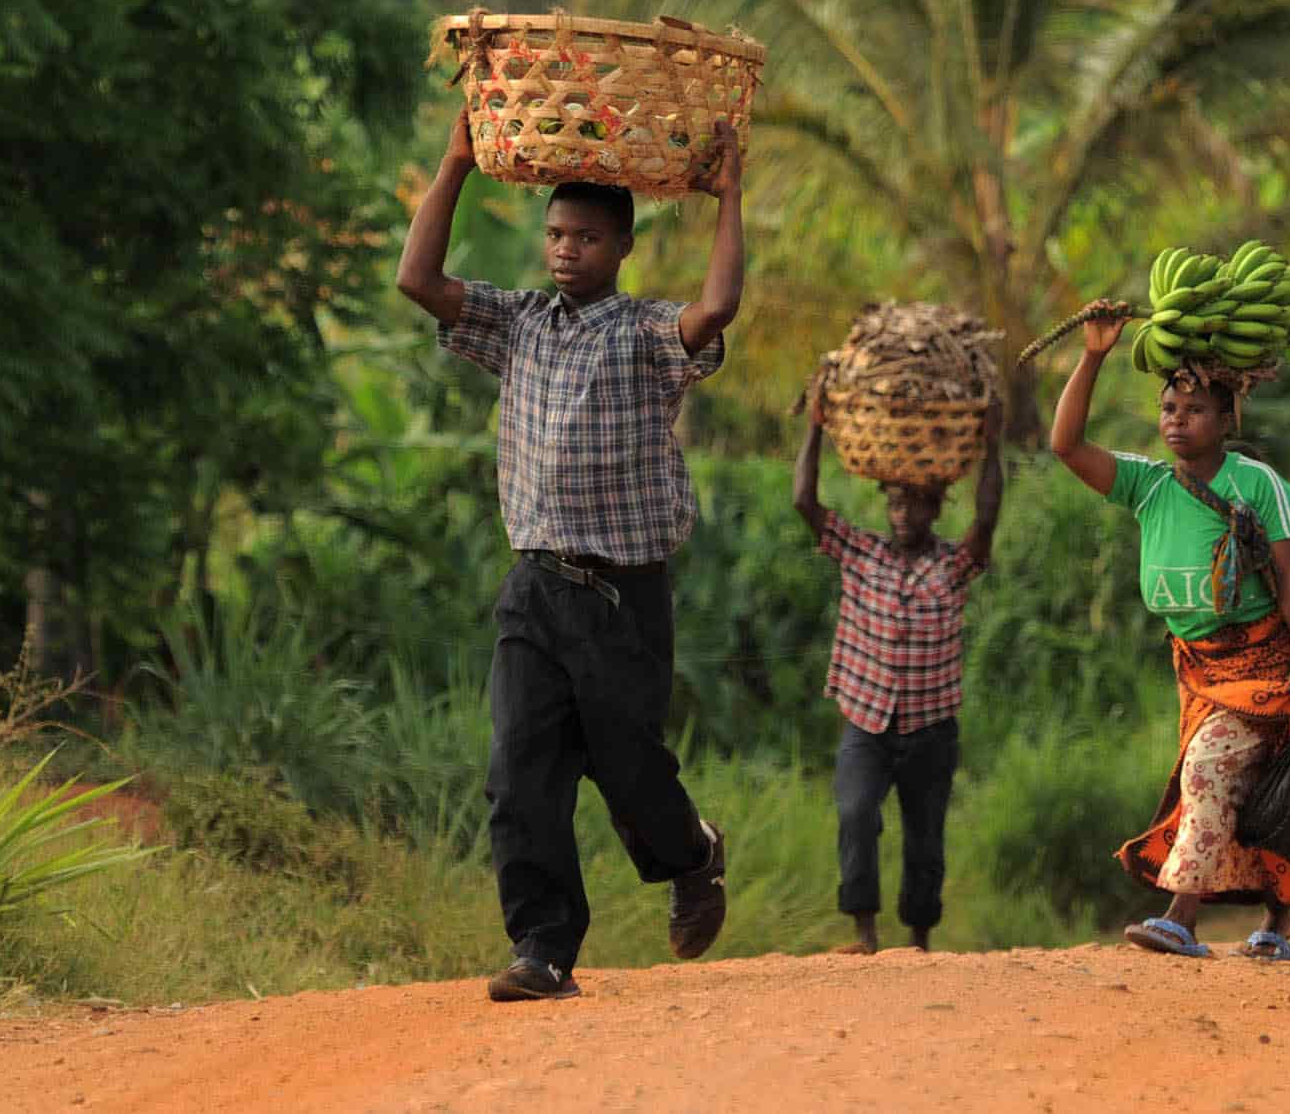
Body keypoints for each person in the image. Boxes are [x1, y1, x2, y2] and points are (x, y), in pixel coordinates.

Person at [395, 107, 747, 1004]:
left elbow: (717, 309)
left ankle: (692, 855)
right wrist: (455, 163)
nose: (565, 250)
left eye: (586, 237)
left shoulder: (642, 334)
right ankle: (543, 949)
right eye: (556, 234)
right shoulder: (516, 322)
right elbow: (417, 277)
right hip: (535, 589)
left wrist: (728, 200)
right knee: (520, 770)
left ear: (622, 246)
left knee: (628, 768)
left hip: (624, 597)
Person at [1050, 319, 1290, 962]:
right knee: (1257, 786)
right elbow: (1066, 445)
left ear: (1227, 417)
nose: (1178, 421)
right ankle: (1278, 922)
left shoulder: (1259, 486)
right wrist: (1094, 356)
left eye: (1196, 409)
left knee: (1210, 769)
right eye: (1169, 408)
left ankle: (1180, 918)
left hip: (1265, 657)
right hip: (1199, 665)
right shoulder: (1148, 485)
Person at [792, 394, 1006, 954]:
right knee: (856, 814)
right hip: (867, 725)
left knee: (925, 839)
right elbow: (804, 501)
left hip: (931, 729)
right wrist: (815, 428)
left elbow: (986, 517)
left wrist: (992, 443)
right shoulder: (860, 554)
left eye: (915, 504)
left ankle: (918, 940)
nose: (904, 515)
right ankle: (863, 933)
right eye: (895, 504)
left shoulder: (952, 567)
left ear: (935, 509)